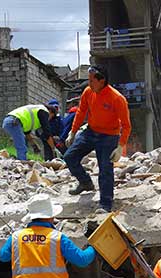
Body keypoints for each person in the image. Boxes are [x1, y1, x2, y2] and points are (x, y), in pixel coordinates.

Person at [64, 64, 131, 213]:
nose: (89, 83)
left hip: (109, 136)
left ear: (102, 81)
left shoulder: (117, 98)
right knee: (69, 157)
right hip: (91, 131)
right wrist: (73, 132)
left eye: (92, 80)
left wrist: (120, 147)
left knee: (105, 170)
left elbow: (126, 126)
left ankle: (105, 204)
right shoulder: (88, 92)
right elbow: (81, 112)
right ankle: (85, 182)